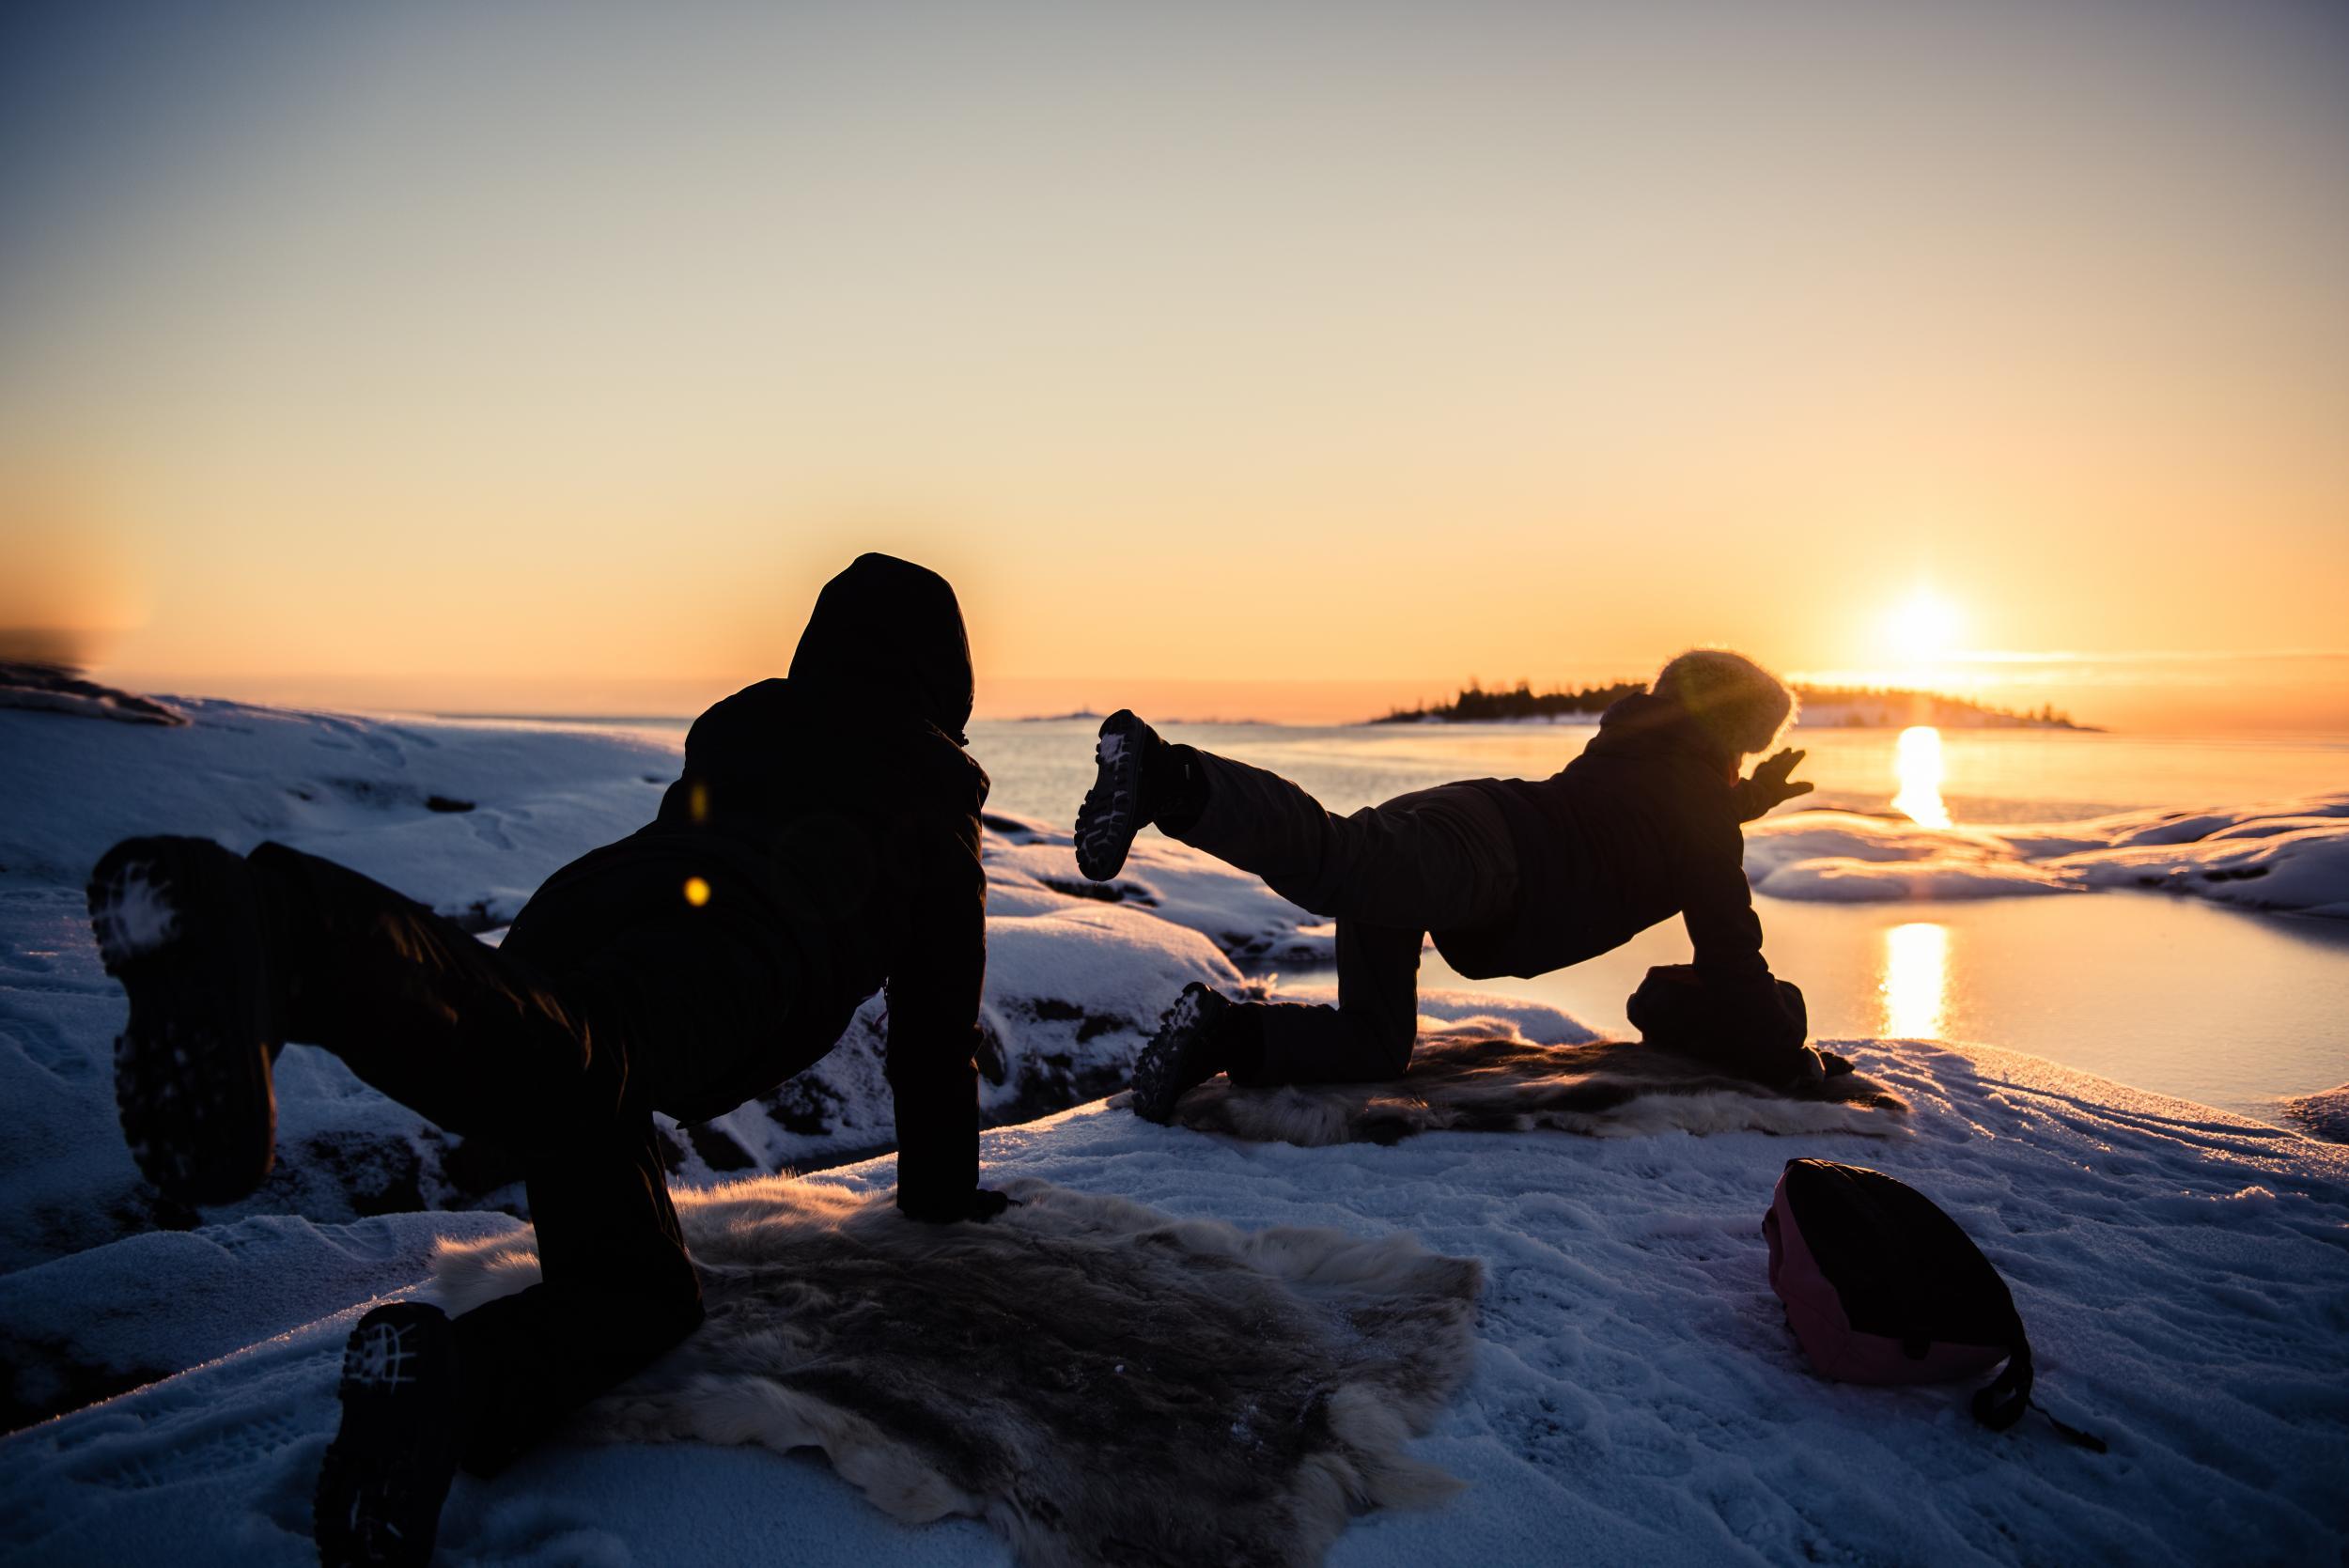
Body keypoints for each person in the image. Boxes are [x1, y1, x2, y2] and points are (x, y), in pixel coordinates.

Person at [84, 553, 1004, 1567]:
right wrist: (940, 1196)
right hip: (734, 950)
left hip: (582, 912)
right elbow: (934, 1023)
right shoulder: (931, 781)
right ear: (943, 672)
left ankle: (449, 1386)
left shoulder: (747, 726)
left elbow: (687, 851)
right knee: (590, 1054)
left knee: (638, 1288)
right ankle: (285, 928)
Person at [1073, 649, 1822, 1120]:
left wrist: (1745, 799)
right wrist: (1791, 1059)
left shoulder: (1647, 758)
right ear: (1729, 743)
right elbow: (1732, 959)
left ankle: (1222, 1033)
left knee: (1376, 1043)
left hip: (1468, 822)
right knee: (1337, 861)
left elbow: (1664, 812)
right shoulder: (1694, 811)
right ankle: (1170, 775)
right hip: (1486, 858)